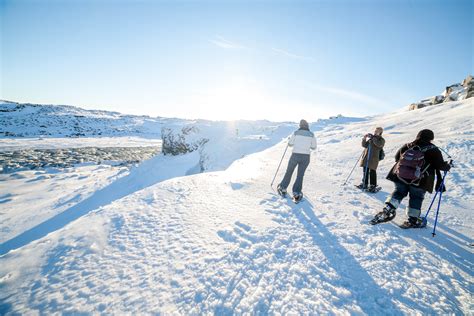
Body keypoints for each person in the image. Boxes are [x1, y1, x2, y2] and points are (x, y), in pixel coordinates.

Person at [371, 129, 451, 227]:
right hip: (420, 180)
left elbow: (397, 158)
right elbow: (440, 166)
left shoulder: (408, 145)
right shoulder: (433, 150)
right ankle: (412, 220)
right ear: (431, 138)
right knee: (416, 197)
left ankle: (388, 209)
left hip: (401, 176)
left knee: (398, 192)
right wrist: (448, 165)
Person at [277, 119, 317, 202]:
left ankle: (283, 188)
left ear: (300, 125)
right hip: (305, 157)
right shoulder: (311, 134)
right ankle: (297, 192)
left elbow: (290, 144)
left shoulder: (296, 133)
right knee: (300, 175)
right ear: (307, 126)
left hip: (295, 155)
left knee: (289, 171)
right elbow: (314, 147)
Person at [356, 127, 385, 192]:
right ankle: (364, 183)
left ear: (380, 132)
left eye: (377, 131)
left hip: (374, 158)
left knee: (372, 171)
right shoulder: (371, 139)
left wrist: (373, 138)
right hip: (366, 157)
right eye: (375, 131)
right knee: (365, 171)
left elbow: (379, 145)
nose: (375, 132)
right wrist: (364, 138)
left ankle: (372, 186)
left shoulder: (381, 140)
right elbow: (364, 145)